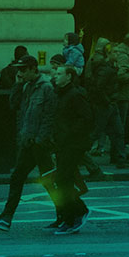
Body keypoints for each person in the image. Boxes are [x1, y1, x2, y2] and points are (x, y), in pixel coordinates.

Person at [0, 55, 55, 231]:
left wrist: (40, 140)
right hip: (27, 142)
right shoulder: (27, 86)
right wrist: (17, 84)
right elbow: (14, 105)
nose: (19, 72)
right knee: (23, 178)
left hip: (39, 143)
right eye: (18, 70)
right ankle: (6, 217)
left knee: (48, 180)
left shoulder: (46, 88)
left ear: (32, 68)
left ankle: (67, 213)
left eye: (22, 69)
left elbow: (50, 117)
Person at [48, 62, 93, 234]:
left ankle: (74, 216)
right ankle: (73, 214)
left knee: (63, 180)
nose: (55, 76)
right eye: (56, 73)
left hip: (72, 144)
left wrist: (69, 134)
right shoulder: (60, 94)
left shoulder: (75, 95)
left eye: (59, 74)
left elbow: (86, 118)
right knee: (63, 181)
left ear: (69, 76)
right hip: (62, 144)